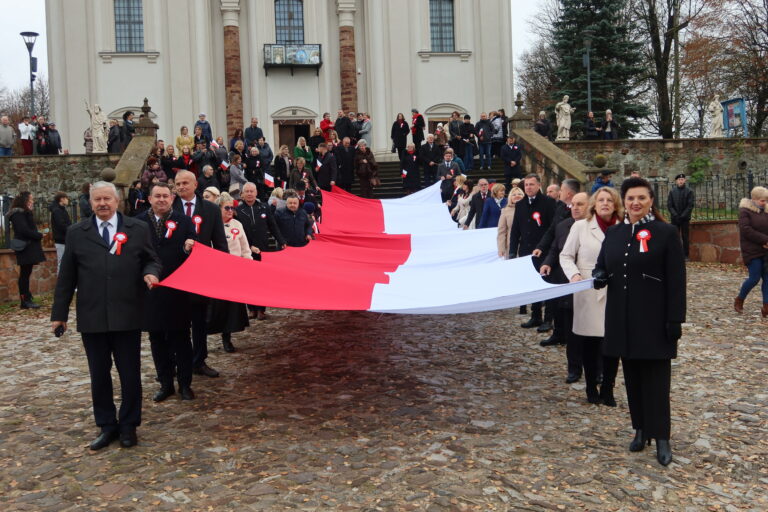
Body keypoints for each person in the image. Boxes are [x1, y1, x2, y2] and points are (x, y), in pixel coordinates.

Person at [51, 181, 161, 450]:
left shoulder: (137, 229)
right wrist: (59, 314)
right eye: (97, 199)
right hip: (92, 316)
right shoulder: (77, 233)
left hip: (127, 314)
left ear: (117, 201)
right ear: (90, 202)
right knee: (99, 375)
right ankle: (106, 425)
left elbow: (152, 259)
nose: (102, 203)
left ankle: (129, 425)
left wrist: (151, 273)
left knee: (130, 374)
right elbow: (66, 276)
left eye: (107, 199)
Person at [592, 176, 686, 466]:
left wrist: (675, 319)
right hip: (622, 318)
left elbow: (677, 280)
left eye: (641, 198)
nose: (635, 203)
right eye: (630, 198)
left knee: (656, 380)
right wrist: (598, 276)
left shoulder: (666, 232)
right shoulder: (615, 233)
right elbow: (602, 265)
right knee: (632, 377)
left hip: (654, 319)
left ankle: (662, 437)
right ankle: (640, 429)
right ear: (624, 201)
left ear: (650, 201)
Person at [560, 188, 623, 404]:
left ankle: (608, 387)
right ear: (594, 204)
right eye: (601, 200)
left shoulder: (623, 226)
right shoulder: (581, 226)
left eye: (609, 200)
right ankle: (590, 386)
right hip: (589, 288)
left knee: (612, 340)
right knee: (590, 340)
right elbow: (566, 255)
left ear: (615, 204)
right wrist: (574, 275)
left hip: (616, 289)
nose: (605, 203)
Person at [137, 183, 197, 402]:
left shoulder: (185, 221)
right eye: (157, 196)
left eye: (165, 196)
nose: (161, 199)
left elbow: (195, 252)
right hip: (150, 290)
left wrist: (190, 247)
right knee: (157, 340)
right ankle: (165, 383)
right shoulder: (138, 222)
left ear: (172, 198)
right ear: (150, 199)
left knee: (181, 339)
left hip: (177, 291)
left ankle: (185, 384)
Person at [172, 170, 228, 378]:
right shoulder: (170, 207)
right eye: (178, 183)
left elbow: (220, 243)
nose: (181, 186)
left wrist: (220, 271)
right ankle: (178, 361)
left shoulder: (210, 209)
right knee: (176, 321)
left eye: (185, 183)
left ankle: (199, 360)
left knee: (199, 320)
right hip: (175, 272)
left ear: (195, 185)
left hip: (201, 273)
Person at [540, 192, 589, 379]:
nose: (575, 208)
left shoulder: (596, 227)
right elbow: (555, 248)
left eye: (580, 204)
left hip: (589, 284)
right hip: (568, 283)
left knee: (593, 332)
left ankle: (597, 370)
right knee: (572, 331)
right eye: (573, 204)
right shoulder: (563, 226)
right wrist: (547, 262)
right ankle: (574, 369)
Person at [533, 179, 581, 339]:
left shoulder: (581, 215)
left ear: (568, 193)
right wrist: (541, 247)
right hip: (558, 257)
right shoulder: (560, 208)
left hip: (575, 262)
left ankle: (571, 334)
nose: (559, 193)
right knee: (557, 297)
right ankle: (558, 332)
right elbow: (553, 231)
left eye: (561, 190)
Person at [509, 174, 557, 328]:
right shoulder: (520, 204)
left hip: (545, 251)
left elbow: (553, 228)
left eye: (531, 184)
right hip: (526, 250)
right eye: (526, 185)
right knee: (533, 284)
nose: (528, 187)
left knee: (547, 283)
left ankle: (548, 319)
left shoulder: (548, 202)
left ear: (539, 185)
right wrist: (512, 251)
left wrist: (549, 248)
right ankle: (535, 316)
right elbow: (516, 229)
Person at [208, 193, 251, 353]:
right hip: (216, 270)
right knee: (215, 306)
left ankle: (227, 338)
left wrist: (248, 265)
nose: (230, 210)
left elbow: (245, 247)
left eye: (232, 208)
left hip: (234, 270)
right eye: (227, 208)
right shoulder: (211, 224)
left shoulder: (237, 224)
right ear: (218, 209)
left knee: (231, 307)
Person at [236, 182, 285, 321]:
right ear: (242, 194)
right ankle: (251, 309)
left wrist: (281, 241)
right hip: (245, 250)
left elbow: (273, 226)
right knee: (248, 281)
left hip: (263, 250)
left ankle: (261, 309)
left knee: (262, 281)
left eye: (252, 191)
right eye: (247, 191)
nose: (249, 194)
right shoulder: (238, 210)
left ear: (256, 193)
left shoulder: (264, 207)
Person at [6, 192, 46, 308]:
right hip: (25, 247)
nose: (32, 201)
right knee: (24, 274)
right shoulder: (18, 214)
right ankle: (25, 300)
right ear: (25, 200)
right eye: (30, 199)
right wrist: (38, 235)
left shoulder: (23, 212)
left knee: (26, 273)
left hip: (28, 247)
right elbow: (23, 230)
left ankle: (27, 298)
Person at [734, 186, 768, 316]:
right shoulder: (745, 211)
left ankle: (766, 307)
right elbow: (746, 230)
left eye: (766, 200)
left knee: (767, 278)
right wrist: (765, 240)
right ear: (754, 199)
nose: (764, 203)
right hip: (752, 251)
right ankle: (740, 299)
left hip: (766, 250)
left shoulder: (766, 210)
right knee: (754, 278)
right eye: (762, 200)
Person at [667, 173, 694, 258]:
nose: (680, 181)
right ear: (676, 181)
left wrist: (683, 216)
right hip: (675, 219)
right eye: (679, 179)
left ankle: (686, 255)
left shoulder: (689, 191)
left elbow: (690, 205)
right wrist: (675, 215)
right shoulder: (672, 191)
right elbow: (669, 205)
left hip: (685, 219)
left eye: (682, 179)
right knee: (675, 237)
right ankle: (676, 254)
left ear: (685, 180)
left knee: (685, 237)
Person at [497, 187, 525, 258]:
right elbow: (502, 231)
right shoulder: (505, 210)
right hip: (511, 246)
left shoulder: (529, 208)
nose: (517, 196)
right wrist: (501, 248)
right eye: (514, 195)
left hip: (527, 245)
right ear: (510, 198)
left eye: (519, 194)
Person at [50, 192, 72, 273]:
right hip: (61, 239)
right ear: (62, 199)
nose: (68, 200)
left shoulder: (62, 210)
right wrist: (71, 230)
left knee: (66, 262)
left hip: (65, 239)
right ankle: (60, 280)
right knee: (61, 262)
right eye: (66, 198)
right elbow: (61, 225)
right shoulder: (57, 211)